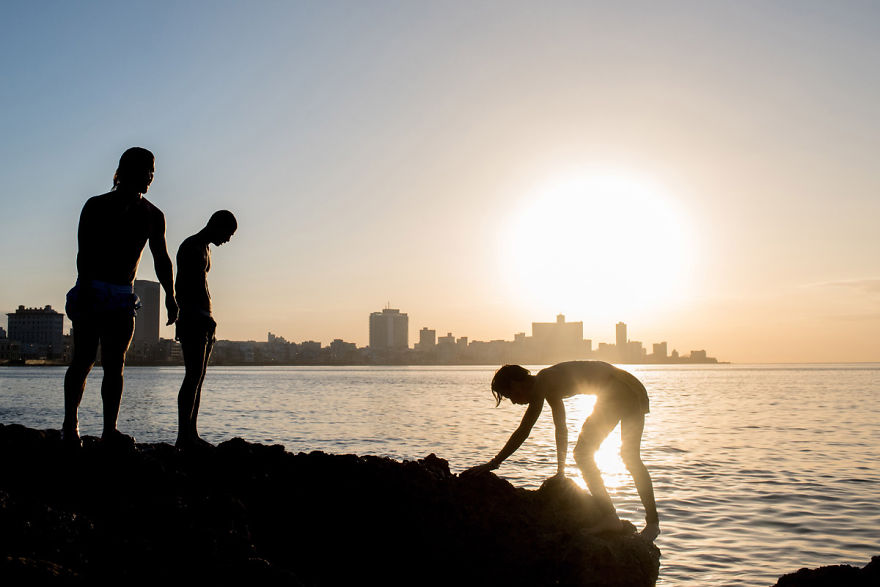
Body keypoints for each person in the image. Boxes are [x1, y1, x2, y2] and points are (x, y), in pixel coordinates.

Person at [464, 361, 660, 540]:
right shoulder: (549, 385)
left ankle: (614, 518)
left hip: (617, 388)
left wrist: (494, 462)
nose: (514, 402)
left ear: (515, 384)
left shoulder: (542, 382)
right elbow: (561, 427)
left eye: (509, 396)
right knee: (628, 457)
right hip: (630, 386)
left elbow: (524, 429)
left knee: (585, 454)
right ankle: (651, 524)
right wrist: (561, 471)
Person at [63, 147, 178, 447]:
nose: (151, 176)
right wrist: (88, 289)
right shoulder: (96, 205)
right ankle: (70, 425)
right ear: (127, 171)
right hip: (91, 289)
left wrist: (171, 295)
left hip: (122, 297)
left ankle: (109, 430)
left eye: (153, 171)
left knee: (116, 365)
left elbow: (162, 259)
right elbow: (84, 251)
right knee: (84, 359)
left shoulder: (153, 215)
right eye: (146, 170)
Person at [174, 210, 237, 449]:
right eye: (228, 234)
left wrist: (209, 317)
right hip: (193, 318)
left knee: (198, 378)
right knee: (192, 376)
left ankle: (191, 432)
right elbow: (182, 286)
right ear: (217, 225)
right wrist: (189, 315)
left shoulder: (206, 248)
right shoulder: (191, 247)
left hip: (204, 318)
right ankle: (184, 435)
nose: (228, 240)